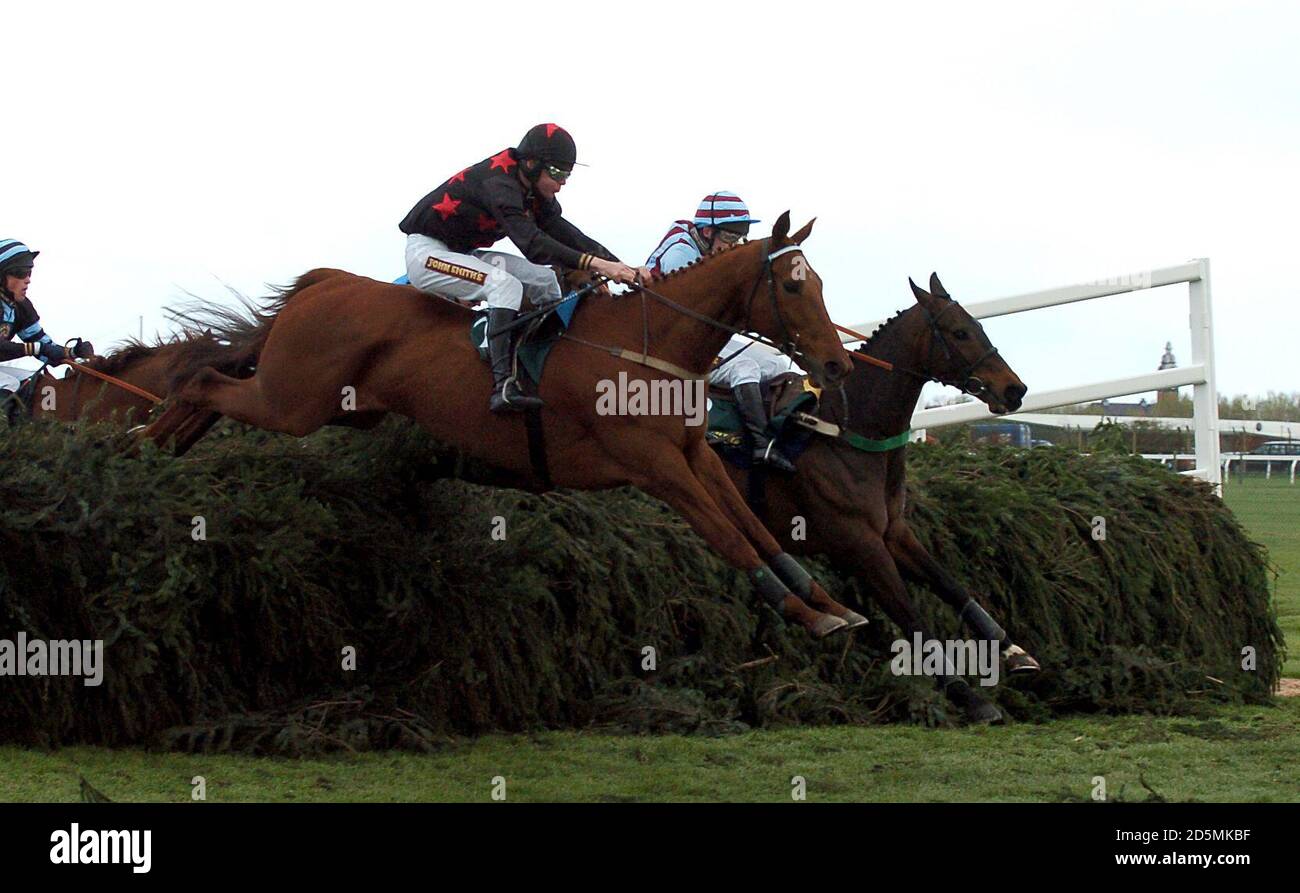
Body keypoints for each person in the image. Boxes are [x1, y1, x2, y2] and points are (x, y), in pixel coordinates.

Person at [400, 124, 650, 413]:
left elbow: (562, 232)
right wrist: (598, 265)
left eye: (567, 174)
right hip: (427, 254)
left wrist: (620, 265)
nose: (563, 182)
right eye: (557, 173)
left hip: (463, 253)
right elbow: (534, 245)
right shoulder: (499, 184)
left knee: (544, 281)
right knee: (504, 285)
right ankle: (502, 386)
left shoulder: (530, 187)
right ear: (531, 164)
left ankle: (549, 362)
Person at [644, 194, 800, 472]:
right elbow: (691, 320)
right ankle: (760, 445)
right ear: (707, 231)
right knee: (744, 368)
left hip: (696, 337)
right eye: (730, 237)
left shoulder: (701, 245)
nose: (735, 246)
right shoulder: (681, 254)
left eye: (742, 238)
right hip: (666, 345)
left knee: (778, 364)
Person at [0, 240, 94, 383]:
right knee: (10, 383)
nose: (27, 280)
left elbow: (44, 346)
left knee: (34, 383)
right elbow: (38, 348)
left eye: (29, 272)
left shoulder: (23, 308)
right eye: (20, 273)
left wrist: (72, 352)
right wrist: (38, 348)